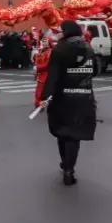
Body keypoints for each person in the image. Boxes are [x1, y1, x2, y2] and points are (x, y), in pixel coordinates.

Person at [40, 20, 97, 186]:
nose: (59, 33)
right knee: (75, 136)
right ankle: (69, 170)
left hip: (63, 98)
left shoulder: (60, 50)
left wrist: (44, 97)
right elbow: (95, 71)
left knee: (62, 132)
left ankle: (65, 162)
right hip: (83, 98)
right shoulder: (88, 48)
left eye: (61, 30)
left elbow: (53, 77)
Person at [33, 36, 54, 108]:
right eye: (43, 41)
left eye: (45, 41)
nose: (43, 42)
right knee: (39, 92)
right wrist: (35, 55)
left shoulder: (50, 52)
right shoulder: (41, 50)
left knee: (41, 92)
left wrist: (37, 67)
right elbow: (37, 61)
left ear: (49, 42)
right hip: (41, 74)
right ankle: (40, 105)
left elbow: (47, 64)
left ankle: (40, 105)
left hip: (46, 74)